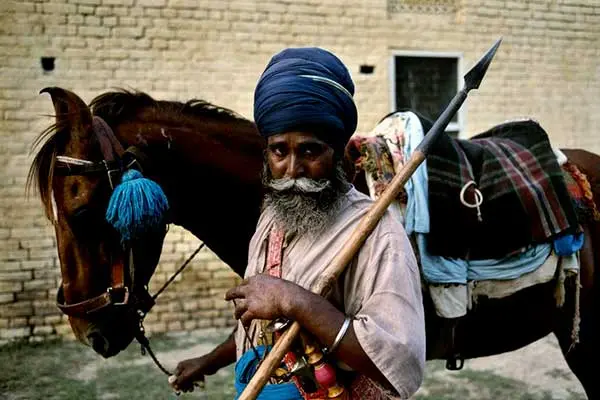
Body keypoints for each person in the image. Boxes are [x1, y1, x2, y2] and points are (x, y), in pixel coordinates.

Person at [170, 47, 426, 399]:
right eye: (279, 151)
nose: (292, 171)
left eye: (310, 151)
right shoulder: (273, 216)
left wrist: (297, 301)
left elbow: (400, 364)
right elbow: (267, 326)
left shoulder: (378, 235)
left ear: (335, 153)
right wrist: (210, 360)